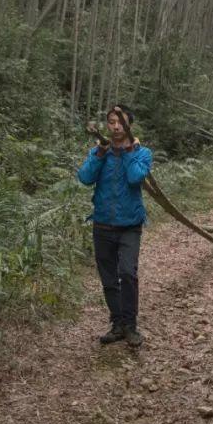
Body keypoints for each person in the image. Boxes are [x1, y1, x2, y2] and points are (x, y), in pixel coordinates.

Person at [77, 105, 153, 347]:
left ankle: (131, 326)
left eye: (120, 121)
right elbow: (85, 178)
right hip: (102, 225)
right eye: (111, 122)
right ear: (107, 125)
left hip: (130, 225)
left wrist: (129, 151)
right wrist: (100, 154)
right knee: (109, 278)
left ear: (129, 125)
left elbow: (134, 178)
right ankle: (117, 324)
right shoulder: (100, 152)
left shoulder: (143, 153)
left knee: (127, 273)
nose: (116, 126)